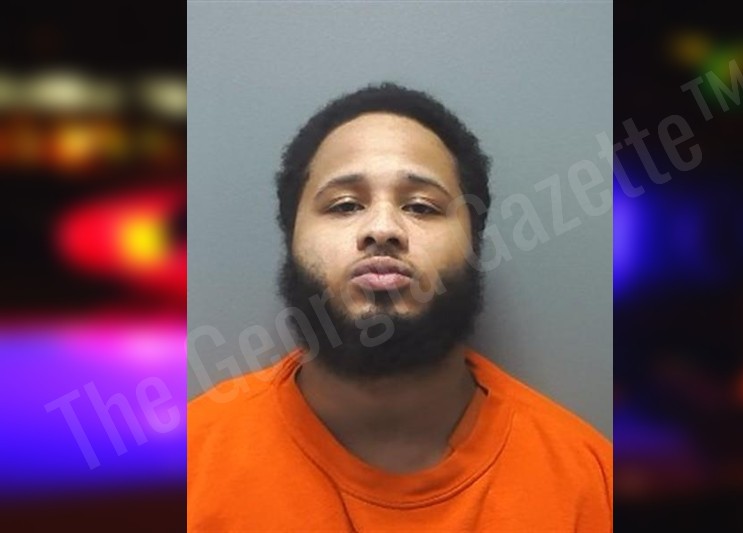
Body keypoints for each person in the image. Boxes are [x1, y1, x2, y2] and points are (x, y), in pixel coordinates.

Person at [188, 83, 612, 531]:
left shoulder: (589, 486)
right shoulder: (186, 465)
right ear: (291, 237)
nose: (383, 229)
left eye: (422, 207)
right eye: (345, 205)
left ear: (474, 242)